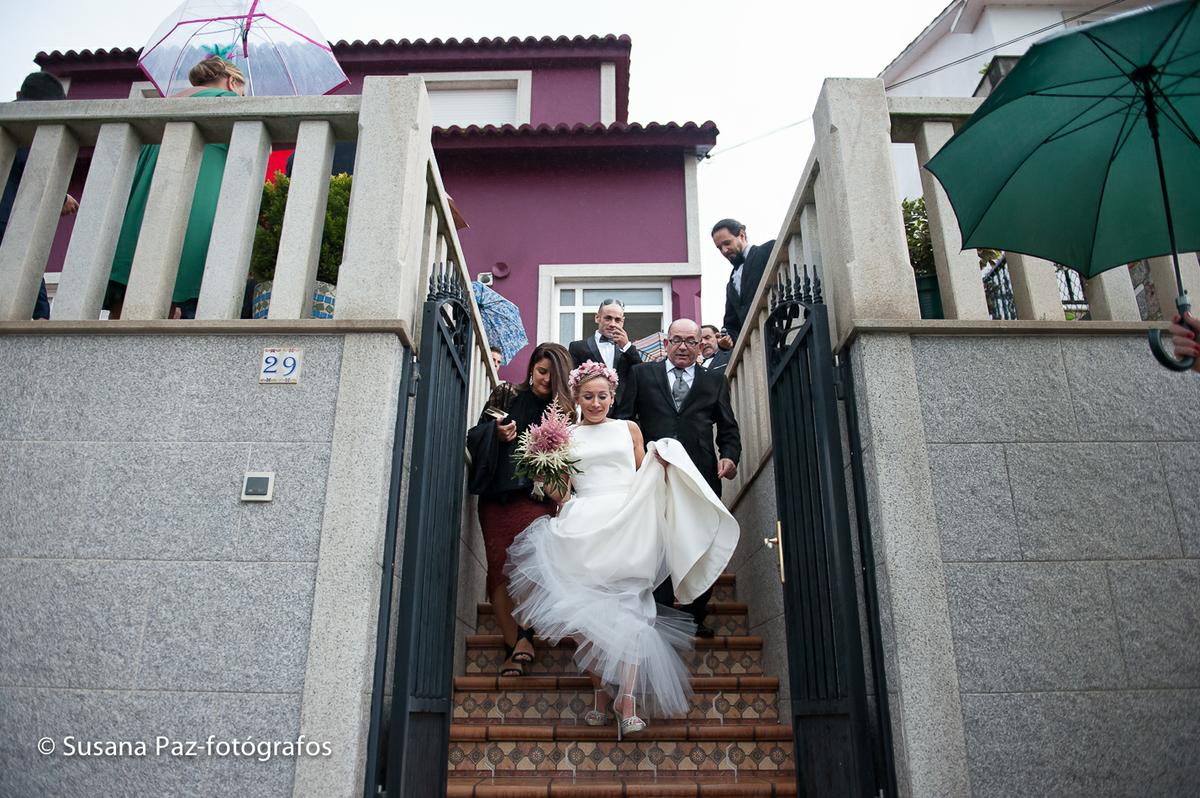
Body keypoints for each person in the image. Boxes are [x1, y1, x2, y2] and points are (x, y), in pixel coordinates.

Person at [505, 359, 738, 736]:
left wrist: (662, 464)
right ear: (577, 398)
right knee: (587, 618)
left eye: (602, 396)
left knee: (632, 609)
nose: (596, 403)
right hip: (583, 526)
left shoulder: (629, 429)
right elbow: (561, 494)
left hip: (628, 522)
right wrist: (542, 470)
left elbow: (642, 474)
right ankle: (601, 692)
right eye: (588, 397)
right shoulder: (566, 435)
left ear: (613, 396)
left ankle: (626, 699)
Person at [614, 318, 741, 638]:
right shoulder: (642, 374)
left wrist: (729, 456)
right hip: (654, 472)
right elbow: (624, 421)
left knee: (700, 539)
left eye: (690, 341)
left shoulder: (715, 381)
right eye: (677, 340)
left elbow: (728, 428)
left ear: (700, 345)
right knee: (657, 541)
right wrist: (636, 458)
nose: (683, 347)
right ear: (667, 342)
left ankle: (695, 615)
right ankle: (659, 612)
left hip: (700, 475)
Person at [105, 58, 246, 319]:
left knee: (136, 285)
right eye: (242, 91)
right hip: (195, 195)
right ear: (232, 82)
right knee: (172, 278)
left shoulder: (166, 102)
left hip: (146, 197)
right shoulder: (227, 101)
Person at [466, 342, 574, 677]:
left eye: (553, 375)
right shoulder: (506, 394)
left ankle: (526, 633)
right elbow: (474, 435)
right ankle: (516, 644)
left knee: (531, 569)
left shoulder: (563, 412)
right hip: (497, 498)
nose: (545, 380)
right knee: (498, 569)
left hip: (535, 500)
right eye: (541, 372)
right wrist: (495, 433)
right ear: (531, 368)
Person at [0, 72, 78, 319]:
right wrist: (60, 198)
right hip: (7, 222)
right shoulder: (26, 125)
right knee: (28, 280)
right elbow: (32, 168)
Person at [568, 298, 642, 409]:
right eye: (608, 318)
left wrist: (627, 346)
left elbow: (641, 374)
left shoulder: (628, 350)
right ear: (597, 318)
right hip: (591, 409)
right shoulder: (577, 347)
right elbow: (571, 383)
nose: (613, 324)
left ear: (622, 322)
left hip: (623, 412)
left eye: (617, 320)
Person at [712, 219, 775, 346]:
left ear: (741, 235)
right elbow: (732, 324)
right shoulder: (730, 285)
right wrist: (726, 340)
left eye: (727, 243)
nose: (724, 251)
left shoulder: (768, 250)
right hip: (758, 347)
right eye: (719, 248)